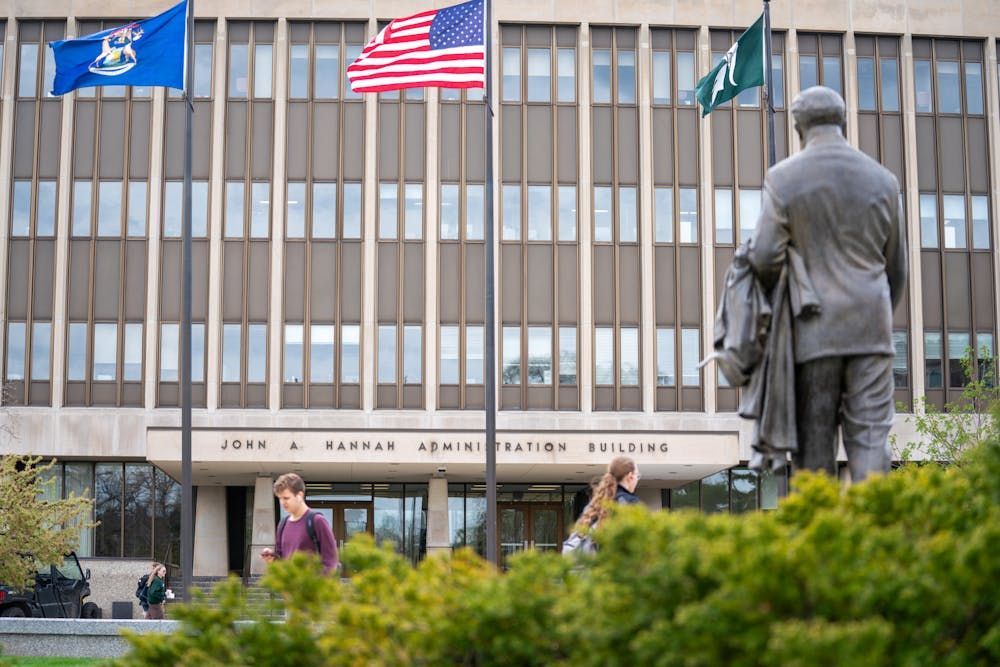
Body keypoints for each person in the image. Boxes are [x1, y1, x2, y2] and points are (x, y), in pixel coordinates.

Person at [748, 85, 907, 482]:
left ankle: (819, 538)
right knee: (871, 438)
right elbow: (896, 269)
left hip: (813, 329)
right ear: (843, 122)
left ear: (798, 126)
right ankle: (877, 532)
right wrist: (878, 312)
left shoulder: (783, 178)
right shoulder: (883, 180)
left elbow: (764, 256)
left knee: (814, 446)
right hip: (871, 325)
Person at [260, 473, 340, 574]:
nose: (282, 503)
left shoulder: (317, 521)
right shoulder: (283, 524)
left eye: (286, 498)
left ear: (300, 495)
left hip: (312, 587)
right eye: (279, 498)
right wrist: (272, 557)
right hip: (289, 587)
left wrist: (317, 585)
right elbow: (281, 560)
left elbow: (331, 561)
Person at [575, 456, 642, 532]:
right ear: (630, 476)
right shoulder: (630, 502)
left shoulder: (595, 503)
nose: (637, 480)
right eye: (637, 476)